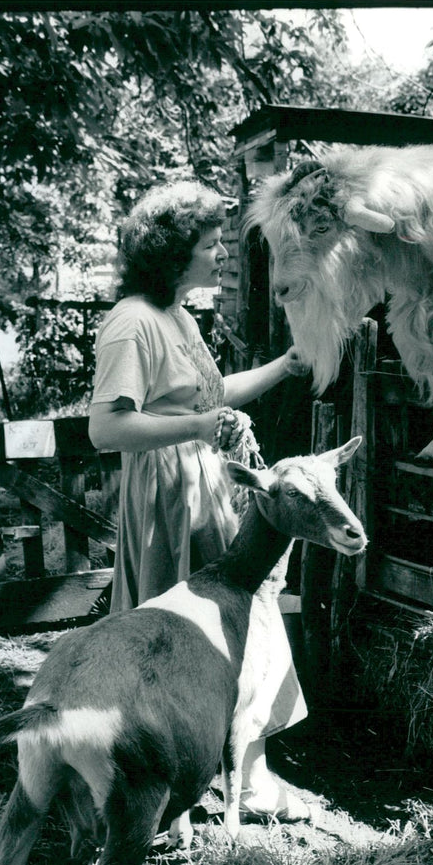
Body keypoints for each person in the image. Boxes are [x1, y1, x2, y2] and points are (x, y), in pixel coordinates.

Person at [88, 179, 312, 825]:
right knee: (173, 643)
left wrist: (282, 367)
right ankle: (164, 798)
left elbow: (207, 398)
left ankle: (250, 780)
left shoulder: (181, 315)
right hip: (163, 502)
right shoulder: (130, 324)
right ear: (174, 249)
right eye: (211, 244)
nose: (221, 257)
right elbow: (105, 429)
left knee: (247, 620)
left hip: (206, 486)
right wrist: (194, 429)